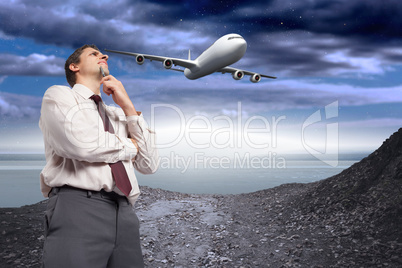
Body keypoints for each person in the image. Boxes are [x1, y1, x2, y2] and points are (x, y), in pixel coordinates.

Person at [39, 44, 158, 267]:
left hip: (125, 213)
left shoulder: (116, 113)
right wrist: (130, 146)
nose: (104, 55)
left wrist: (128, 106)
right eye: (93, 54)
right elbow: (80, 143)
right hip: (78, 207)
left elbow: (149, 164)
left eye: (102, 54)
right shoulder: (59, 95)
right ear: (74, 66)